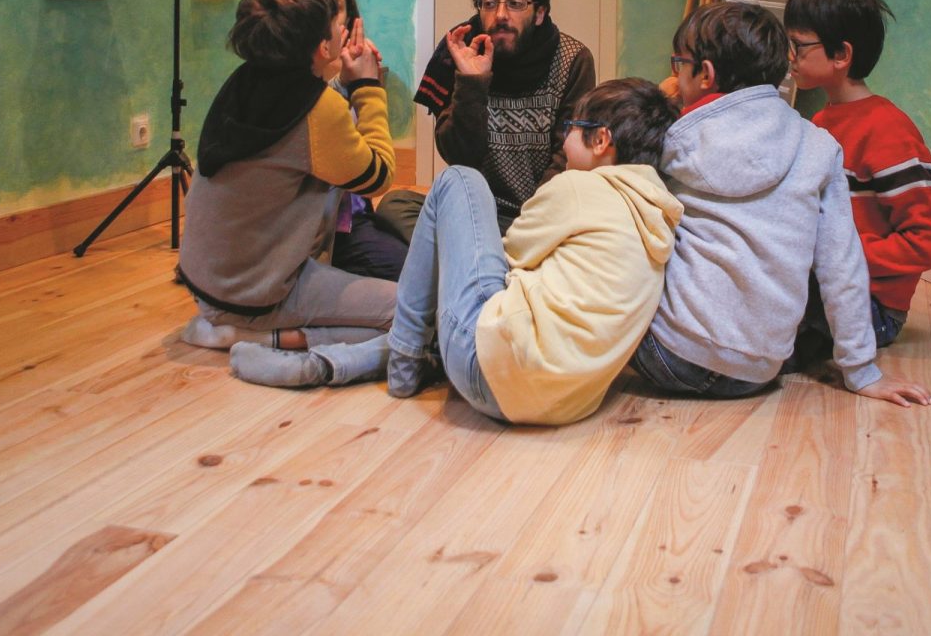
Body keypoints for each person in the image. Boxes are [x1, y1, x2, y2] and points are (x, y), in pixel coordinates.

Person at [232, 78, 682, 419]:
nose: (564, 141)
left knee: (460, 180)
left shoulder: (580, 188)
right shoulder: (655, 213)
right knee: (457, 307)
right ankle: (328, 363)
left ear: (601, 140)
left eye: (571, 128)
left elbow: (508, 258)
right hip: (561, 404)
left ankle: (402, 365)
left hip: (488, 370)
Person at [639, 0, 929, 407]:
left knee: (618, 212)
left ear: (705, 75)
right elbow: (842, 266)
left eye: (678, 64)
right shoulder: (820, 145)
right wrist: (862, 372)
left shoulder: (672, 140)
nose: (674, 76)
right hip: (759, 371)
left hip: (670, 355)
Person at [175, 0, 398, 363]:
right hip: (255, 293)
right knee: (412, 310)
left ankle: (243, 327)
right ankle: (264, 339)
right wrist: (368, 88)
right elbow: (377, 176)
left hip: (206, 283)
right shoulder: (317, 109)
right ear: (322, 47)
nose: (346, 33)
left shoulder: (243, 80)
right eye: (340, 26)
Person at [784, 0, 931, 350]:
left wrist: (839, 257)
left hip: (871, 309)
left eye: (797, 45)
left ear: (841, 55)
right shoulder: (821, 124)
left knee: (764, 329)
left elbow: (930, 243)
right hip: (828, 286)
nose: (789, 56)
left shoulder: (888, 130)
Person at [409, 0, 597, 228]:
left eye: (515, 3)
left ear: (539, 13)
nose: (500, 15)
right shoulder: (462, 53)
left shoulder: (573, 59)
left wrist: (530, 223)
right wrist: (471, 83)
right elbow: (458, 157)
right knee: (397, 206)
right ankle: (491, 254)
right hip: (478, 212)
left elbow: (567, 157)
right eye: (489, 3)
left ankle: (479, 255)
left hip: (542, 216)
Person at [296, 0, 411, 283]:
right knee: (418, 282)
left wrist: (354, 82)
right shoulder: (301, 95)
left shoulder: (331, 83)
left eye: (337, 9)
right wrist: (367, 88)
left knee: (405, 214)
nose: (331, 20)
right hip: (321, 233)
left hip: (352, 213)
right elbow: (376, 177)